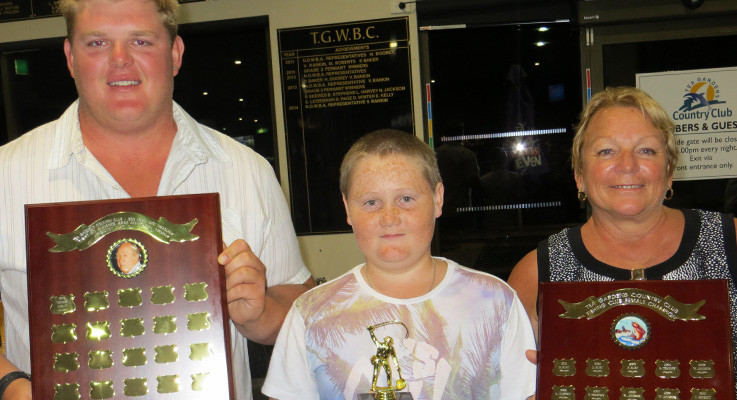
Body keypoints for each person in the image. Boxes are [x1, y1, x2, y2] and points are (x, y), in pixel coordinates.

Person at [0, 0, 314, 398]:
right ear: (70, 57)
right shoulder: (6, 175)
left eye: (141, 41)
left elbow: (302, 309)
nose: (119, 59)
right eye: (97, 42)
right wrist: (11, 386)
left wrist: (260, 312)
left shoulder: (246, 171)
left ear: (175, 54)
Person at [262, 130, 536, 399]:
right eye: (371, 202)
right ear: (347, 208)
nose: (389, 217)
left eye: (406, 199)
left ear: (438, 198)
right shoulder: (310, 313)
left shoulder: (496, 301)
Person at [507, 86, 737, 379]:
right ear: (579, 175)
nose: (628, 165)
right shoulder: (536, 273)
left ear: (669, 171)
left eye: (646, 150)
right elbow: (507, 382)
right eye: (606, 151)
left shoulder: (729, 241)